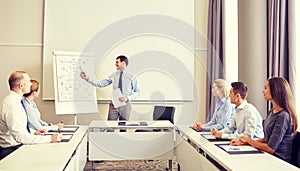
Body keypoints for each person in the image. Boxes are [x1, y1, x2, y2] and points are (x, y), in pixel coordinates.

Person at [231, 77, 298, 163]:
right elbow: (267, 138)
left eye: (266, 88)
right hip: (267, 155)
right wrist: (245, 142)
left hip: (278, 160)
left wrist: (248, 140)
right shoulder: (272, 112)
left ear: (275, 90)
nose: (263, 91)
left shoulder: (283, 116)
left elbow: (271, 148)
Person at [0, 71, 62, 160]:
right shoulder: (12, 105)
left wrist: (33, 133)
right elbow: (20, 137)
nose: (30, 84)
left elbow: (18, 131)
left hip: (14, 145)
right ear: (21, 86)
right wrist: (50, 138)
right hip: (10, 150)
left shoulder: (13, 100)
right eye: (28, 81)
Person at [80, 55, 140, 121]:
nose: (115, 64)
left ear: (123, 63)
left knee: (123, 128)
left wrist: (127, 98)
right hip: (114, 105)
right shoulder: (114, 75)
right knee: (110, 126)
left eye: (117, 62)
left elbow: (137, 92)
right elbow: (101, 84)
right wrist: (87, 78)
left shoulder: (131, 77)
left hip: (125, 106)